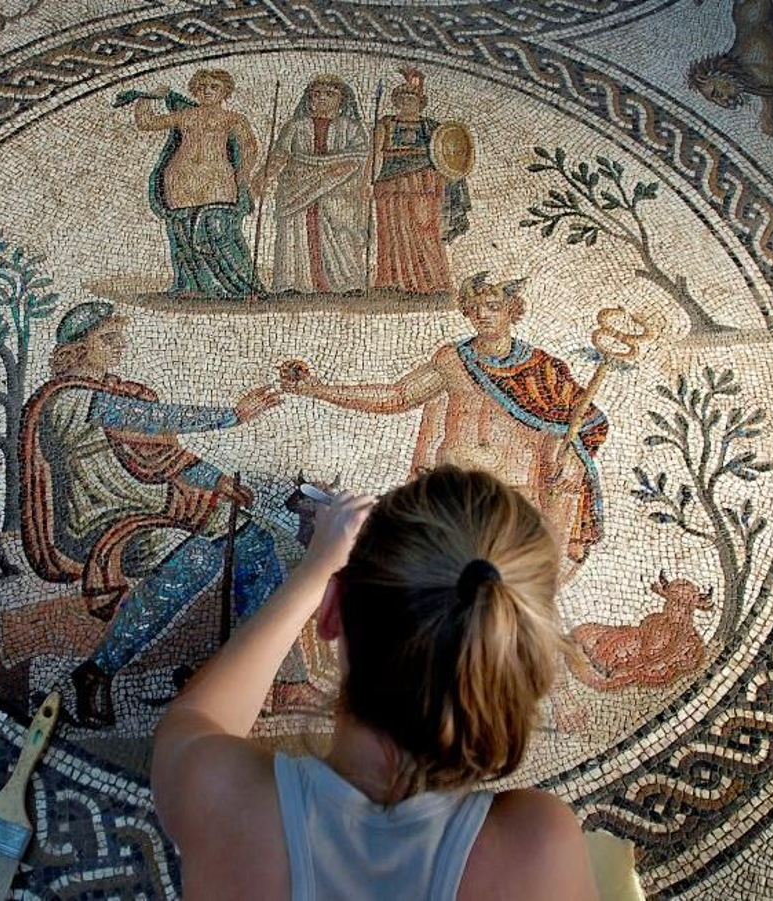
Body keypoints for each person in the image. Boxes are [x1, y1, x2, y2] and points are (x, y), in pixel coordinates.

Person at [151, 466, 599, 899]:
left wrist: (317, 570)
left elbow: (196, 718)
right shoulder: (541, 852)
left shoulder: (221, 798)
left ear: (333, 611)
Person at [18, 301, 296, 727]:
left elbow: (157, 455)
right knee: (198, 557)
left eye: (119, 336)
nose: (119, 345)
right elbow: (150, 420)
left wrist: (215, 480)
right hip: (103, 520)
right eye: (108, 338)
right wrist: (231, 416)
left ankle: (247, 667)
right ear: (77, 349)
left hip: (150, 503)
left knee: (252, 539)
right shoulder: (66, 400)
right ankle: (95, 673)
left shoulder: (112, 392)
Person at [282, 271, 608, 572]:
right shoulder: (453, 360)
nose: (482, 314)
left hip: (512, 499)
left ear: (513, 309)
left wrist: (571, 462)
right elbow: (397, 396)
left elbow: (590, 423)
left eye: (493, 306)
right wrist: (317, 389)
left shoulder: (543, 370)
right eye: (474, 308)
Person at [123, 70, 263, 298]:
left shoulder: (233, 119)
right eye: (202, 87)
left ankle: (241, 287)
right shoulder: (184, 116)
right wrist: (148, 97)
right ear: (195, 90)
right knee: (183, 233)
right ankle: (192, 287)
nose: (207, 91)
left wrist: (244, 174)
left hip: (217, 178)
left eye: (214, 87)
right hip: (181, 179)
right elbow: (146, 123)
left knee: (221, 233)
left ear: (225, 92)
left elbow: (249, 147)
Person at [252, 75, 369, 294]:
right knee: (294, 231)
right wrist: (264, 175)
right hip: (297, 186)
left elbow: (360, 157)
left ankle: (347, 282)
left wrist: (337, 175)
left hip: (338, 187)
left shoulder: (351, 127)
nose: (322, 99)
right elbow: (280, 154)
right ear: (309, 99)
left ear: (342, 99)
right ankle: (292, 282)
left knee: (340, 231)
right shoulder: (296, 126)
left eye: (329, 94)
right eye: (316, 94)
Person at [363, 66, 471, 296]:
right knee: (392, 232)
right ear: (396, 101)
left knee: (426, 231)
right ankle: (392, 281)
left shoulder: (432, 128)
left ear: (420, 103)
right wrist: (367, 182)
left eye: (412, 99)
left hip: (424, 185)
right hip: (390, 185)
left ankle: (431, 281)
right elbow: (374, 154)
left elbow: (446, 154)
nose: (407, 102)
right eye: (402, 98)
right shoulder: (386, 124)